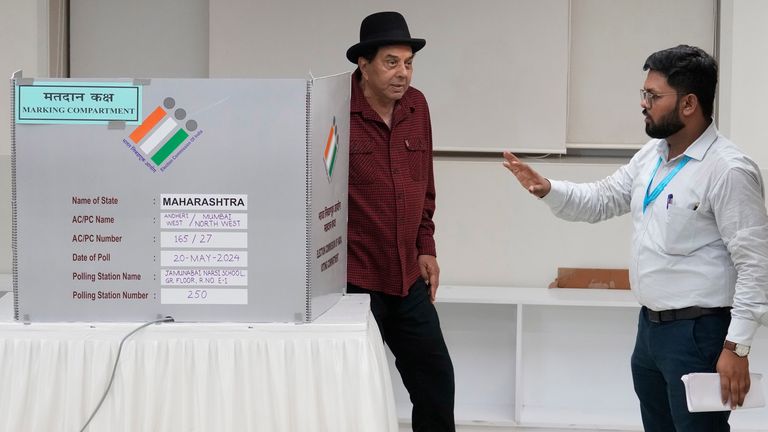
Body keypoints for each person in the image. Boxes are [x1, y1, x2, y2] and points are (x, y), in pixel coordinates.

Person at [503, 45, 768, 431]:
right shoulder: (651, 156)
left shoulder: (727, 170)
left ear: (689, 104)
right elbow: (602, 199)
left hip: (698, 334)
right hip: (650, 331)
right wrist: (547, 188)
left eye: (654, 96)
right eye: (644, 94)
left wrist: (737, 347)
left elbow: (756, 263)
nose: (643, 104)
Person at [345, 11, 455, 432]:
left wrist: (426, 244)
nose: (403, 73)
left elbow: (422, 181)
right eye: (391, 62)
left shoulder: (417, 105)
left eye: (408, 63)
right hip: (354, 282)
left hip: (407, 275)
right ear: (364, 64)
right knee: (358, 391)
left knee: (436, 381)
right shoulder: (333, 108)